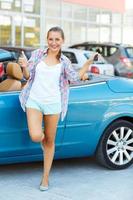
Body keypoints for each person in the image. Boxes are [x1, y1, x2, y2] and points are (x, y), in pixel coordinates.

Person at [18, 26, 97, 191]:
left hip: (53, 104)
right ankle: (46, 142)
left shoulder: (64, 62)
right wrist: (24, 66)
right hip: (34, 100)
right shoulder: (38, 54)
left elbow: (74, 78)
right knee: (36, 136)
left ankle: (45, 178)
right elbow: (27, 76)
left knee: (50, 141)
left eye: (57, 39)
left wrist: (88, 63)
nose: (53, 43)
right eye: (51, 39)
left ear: (62, 41)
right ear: (47, 40)